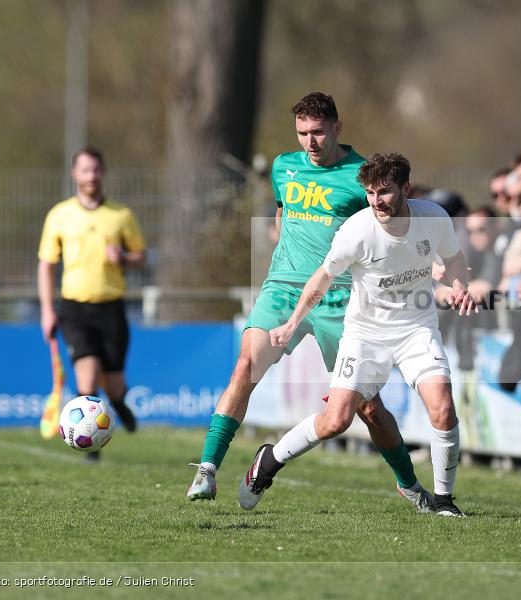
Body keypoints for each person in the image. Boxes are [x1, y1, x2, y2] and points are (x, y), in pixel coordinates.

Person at [187, 93, 432, 512]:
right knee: (245, 367)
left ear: (337, 127)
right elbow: (283, 212)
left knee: (369, 408)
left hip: (341, 299)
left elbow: (390, 226)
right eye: (302, 133)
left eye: (318, 132)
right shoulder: (284, 166)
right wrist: (286, 241)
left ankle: (409, 485)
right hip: (282, 289)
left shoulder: (361, 175)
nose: (310, 141)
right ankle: (207, 470)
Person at [240, 153, 476, 517]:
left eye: (384, 191)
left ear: (406, 189)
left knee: (443, 409)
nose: (376, 201)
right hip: (365, 334)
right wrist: (291, 324)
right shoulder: (357, 230)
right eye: (370, 193)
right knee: (336, 421)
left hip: (416, 329)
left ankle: (444, 502)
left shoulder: (434, 218)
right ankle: (270, 459)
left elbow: (454, 259)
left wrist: (460, 286)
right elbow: (321, 279)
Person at [37, 146, 146, 461]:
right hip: (75, 308)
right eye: (85, 170)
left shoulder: (121, 215)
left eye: (96, 170)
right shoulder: (59, 215)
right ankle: (90, 448)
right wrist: (47, 310)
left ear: (103, 173)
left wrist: (124, 258)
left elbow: (141, 257)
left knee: (113, 384)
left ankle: (119, 402)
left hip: (111, 307)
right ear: (75, 174)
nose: (91, 176)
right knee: (87, 378)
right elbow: (46, 265)